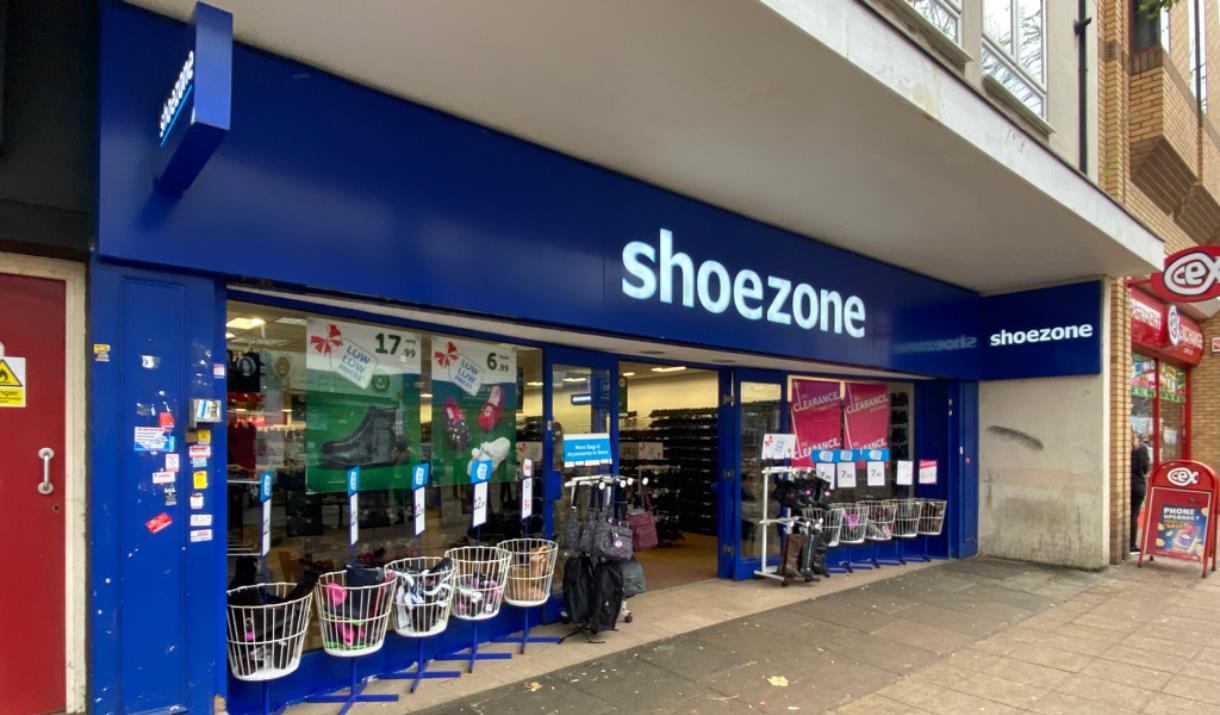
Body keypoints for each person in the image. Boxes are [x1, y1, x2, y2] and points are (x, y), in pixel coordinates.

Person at [1131, 429, 1151, 553]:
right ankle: (1131, 545)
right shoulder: (1141, 448)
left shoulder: (1119, 449)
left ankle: (1125, 544)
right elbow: (1145, 468)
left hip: (1125, 484)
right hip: (1138, 485)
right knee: (1133, 515)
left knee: (1126, 514)